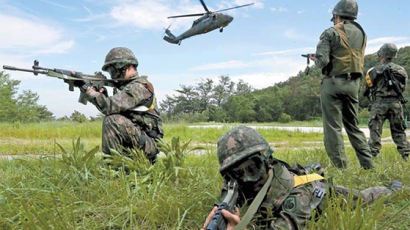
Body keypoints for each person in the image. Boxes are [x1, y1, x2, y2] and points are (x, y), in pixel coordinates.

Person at [201, 126, 404, 230]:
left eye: (252, 168)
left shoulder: (296, 198)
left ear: (267, 160)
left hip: (320, 193)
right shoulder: (239, 184)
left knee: (363, 198)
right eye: (236, 173)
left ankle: (394, 189)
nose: (245, 179)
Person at [310, 0, 373, 169]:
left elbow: (322, 61)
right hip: (354, 85)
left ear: (336, 15)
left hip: (333, 83)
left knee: (333, 128)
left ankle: (341, 169)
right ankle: (368, 165)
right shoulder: (362, 33)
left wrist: (315, 58)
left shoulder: (330, 32)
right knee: (353, 126)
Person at [84, 47, 163, 164]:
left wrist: (90, 92)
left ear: (128, 67)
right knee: (113, 118)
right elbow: (114, 109)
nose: (112, 76)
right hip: (140, 139)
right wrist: (101, 93)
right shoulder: (125, 88)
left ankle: (113, 169)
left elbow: (109, 107)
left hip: (149, 144)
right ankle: (121, 164)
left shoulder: (137, 87)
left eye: (114, 71)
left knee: (112, 121)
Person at [365, 43, 409, 160]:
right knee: (399, 131)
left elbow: (368, 87)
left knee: (375, 131)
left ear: (382, 54)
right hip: (396, 104)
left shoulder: (373, 71)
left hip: (379, 104)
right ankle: (406, 156)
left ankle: (372, 158)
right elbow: (403, 87)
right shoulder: (402, 70)